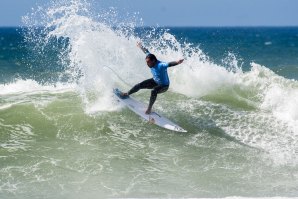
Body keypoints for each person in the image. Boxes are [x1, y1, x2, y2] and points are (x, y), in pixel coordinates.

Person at [121, 42, 184, 114]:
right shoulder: (150, 57)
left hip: (164, 86)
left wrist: (177, 62)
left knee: (153, 91)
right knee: (139, 85)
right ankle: (127, 94)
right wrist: (140, 46)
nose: (147, 64)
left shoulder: (161, 65)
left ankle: (149, 109)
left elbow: (169, 64)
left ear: (154, 60)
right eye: (147, 62)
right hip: (155, 81)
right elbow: (146, 52)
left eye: (148, 62)